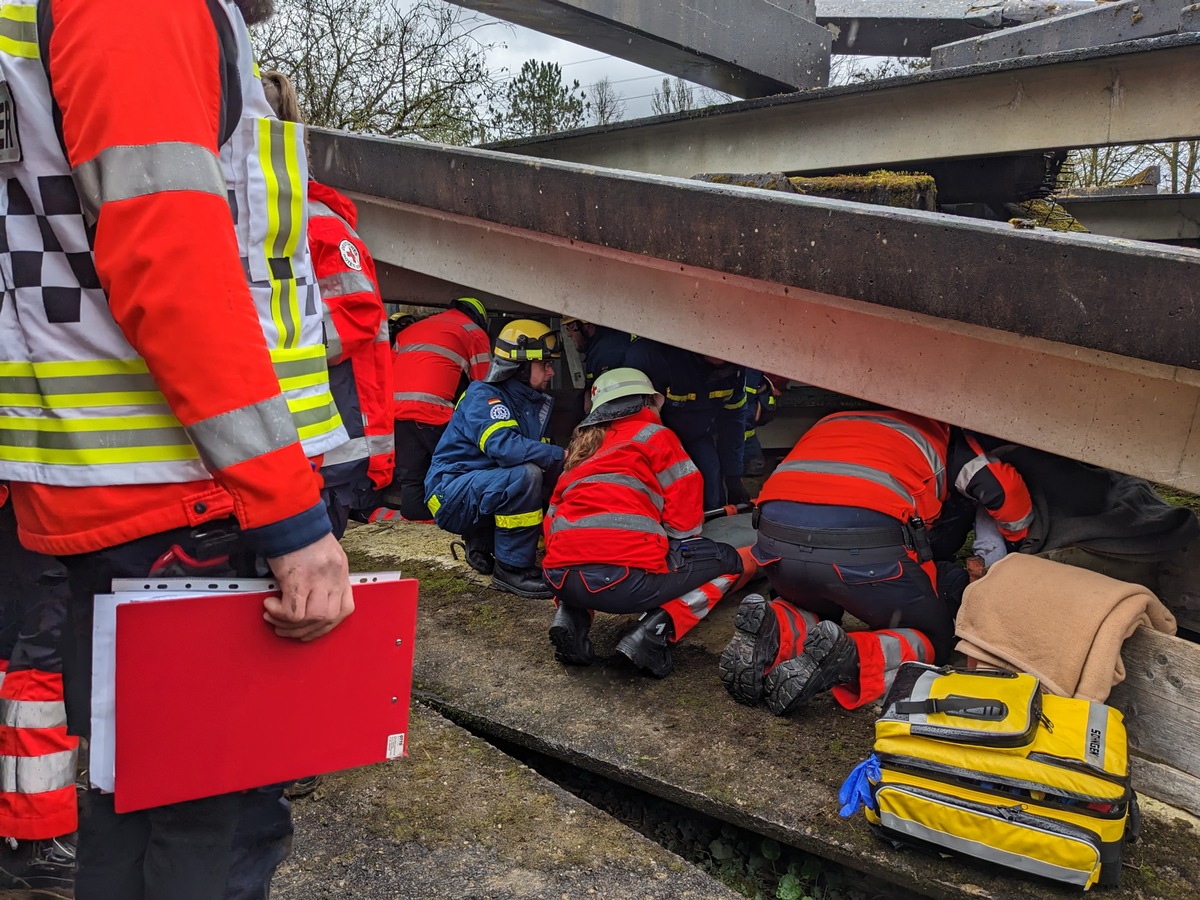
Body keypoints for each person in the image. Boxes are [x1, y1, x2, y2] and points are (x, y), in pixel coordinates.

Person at [0, 3, 355, 898]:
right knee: (216, 824)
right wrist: (287, 513)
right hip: (186, 497)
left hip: (108, 489)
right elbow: (174, 259)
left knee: (135, 807)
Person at [720, 410, 1033, 715]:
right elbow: (1003, 490)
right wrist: (1020, 542)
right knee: (934, 637)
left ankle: (776, 629)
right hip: (867, 551)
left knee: (815, 600)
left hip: (776, 541)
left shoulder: (837, 418)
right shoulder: (944, 435)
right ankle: (851, 658)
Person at [542, 370, 748, 677]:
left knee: (583, 558)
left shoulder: (581, 450)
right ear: (649, 402)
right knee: (729, 562)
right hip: (623, 585)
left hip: (559, 579)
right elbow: (686, 522)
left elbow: (553, 520)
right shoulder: (656, 437)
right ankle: (651, 634)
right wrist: (673, 542)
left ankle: (571, 617)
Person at [261, 70, 395, 536]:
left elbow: (357, 317)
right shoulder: (283, 222)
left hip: (331, 442)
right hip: (300, 439)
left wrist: (265, 350)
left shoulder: (317, 225)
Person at [425, 320, 565, 598]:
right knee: (527, 475)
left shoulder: (532, 404)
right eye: (544, 364)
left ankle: (482, 541)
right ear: (521, 367)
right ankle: (511, 571)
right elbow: (506, 449)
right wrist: (562, 455)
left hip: (479, 490)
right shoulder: (483, 396)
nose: (550, 371)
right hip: (449, 495)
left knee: (538, 473)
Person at [0, 493, 77, 896]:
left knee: (13, 650)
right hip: (40, 494)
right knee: (41, 671)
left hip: (21, 493)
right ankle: (32, 842)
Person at [383, 298, 492, 521]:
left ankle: (415, 514)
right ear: (479, 317)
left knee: (412, 477)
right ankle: (457, 514)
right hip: (435, 412)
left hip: (396, 412)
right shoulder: (473, 331)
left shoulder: (412, 330)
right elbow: (487, 384)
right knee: (456, 469)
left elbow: (388, 370)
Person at [626, 340, 749, 509]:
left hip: (697, 435)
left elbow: (733, 423)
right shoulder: (653, 357)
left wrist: (734, 476)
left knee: (710, 471)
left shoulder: (737, 369)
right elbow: (636, 423)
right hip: (654, 443)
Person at [561, 317, 632, 408]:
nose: (568, 334)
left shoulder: (608, 352)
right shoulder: (598, 348)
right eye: (567, 328)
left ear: (587, 325)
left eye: (571, 327)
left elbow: (611, 402)